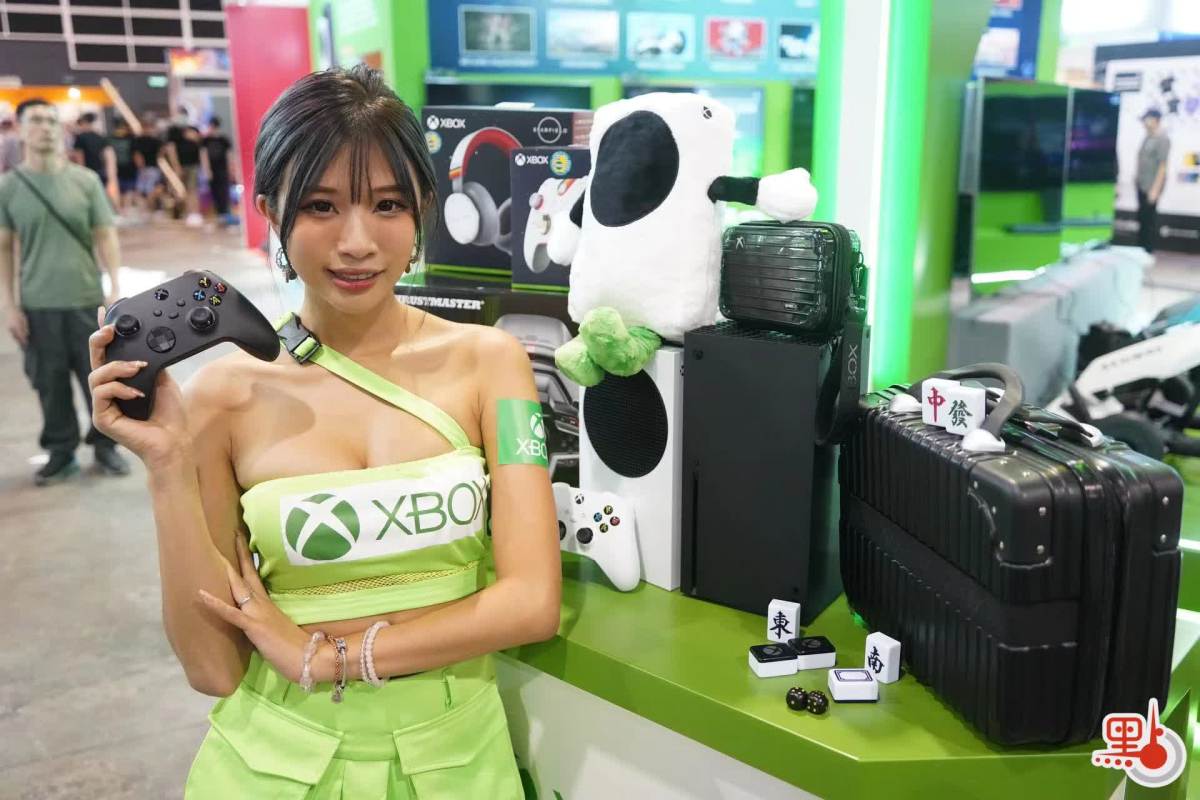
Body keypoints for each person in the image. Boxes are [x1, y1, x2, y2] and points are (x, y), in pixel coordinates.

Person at [88, 66, 557, 796]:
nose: (357, 242)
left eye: (388, 204)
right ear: (272, 213)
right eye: (321, 206)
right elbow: (213, 668)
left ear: (424, 211)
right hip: (274, 765)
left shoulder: (493, 364)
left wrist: (331, 657)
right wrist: (168, 467)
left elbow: (532, 602)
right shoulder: (224, 397)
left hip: (457, 763)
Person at [0, 98, 129, 484]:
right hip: (38, 305)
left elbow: (105, 236)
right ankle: (61, 451)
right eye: (37, 120)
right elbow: (4, 250)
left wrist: (115, 287)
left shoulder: (85, 181)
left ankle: (106, 446)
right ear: (21, 130)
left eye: (52, 121)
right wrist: (10, 306)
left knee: (101, 380)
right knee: (50, 384)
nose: (46, 127)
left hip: (87, 300)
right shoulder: (8, 187)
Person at [1135, 108, 1170, 253]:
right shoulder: (1147, 137)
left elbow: (1162, 166)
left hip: (1151, 186)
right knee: (1142, 218)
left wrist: (1155, 189)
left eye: (1147, 119)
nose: (1145, 122)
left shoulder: (1162, 139)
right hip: (1141, 184)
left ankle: (1147, 250)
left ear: (1155, 120)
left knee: (1149, 219)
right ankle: (1140, 249)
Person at [71, 111, 118, 205]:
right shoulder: (101, 137)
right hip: (100, 172)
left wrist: (80, 174)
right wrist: (111, 178)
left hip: (87, 172)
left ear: (84, 123)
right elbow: (110, 158)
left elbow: (79, 158)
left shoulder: (80, 138)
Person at [166, 111, 203, 225]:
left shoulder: (193, 129)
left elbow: (200, 143)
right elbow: (171, 149)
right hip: (180, 165)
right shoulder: (173, 131)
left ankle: (194, 213)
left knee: (192, 189)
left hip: (193, 165)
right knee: (179, 190)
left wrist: (194, 136)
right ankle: (181, 213)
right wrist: (176, 166)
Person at [201, 117, 237, 225]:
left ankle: (225, 213)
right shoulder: (205, 141)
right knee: (214, 191)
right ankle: (219, 213)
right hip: (212, 170)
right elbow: (204, 155)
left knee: (224, 191)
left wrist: (231, 170)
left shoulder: (224, 140)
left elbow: (229, 155)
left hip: (223, 170)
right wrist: (207, 170)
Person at [132, 115, 165, 215]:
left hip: (146, 169)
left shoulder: (138, 140)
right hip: (153, 168)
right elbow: (161, 153)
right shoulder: (156, 141)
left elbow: (137, 156)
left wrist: (141, 167)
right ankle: (149, 210)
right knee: (149, 190)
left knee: (144, 191)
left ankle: (146, 211)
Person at [108, 119, 137, 214]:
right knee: (127, 189)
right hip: (127, 167)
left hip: (118, 168)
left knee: (122, 189)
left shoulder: (110, 139)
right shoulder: (131, 138)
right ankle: (124, 209)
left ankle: (121, 209)